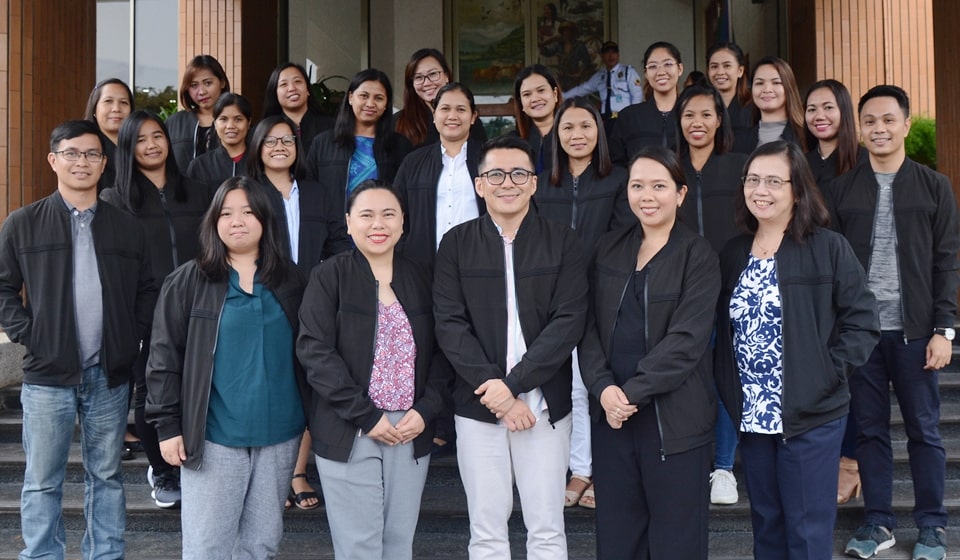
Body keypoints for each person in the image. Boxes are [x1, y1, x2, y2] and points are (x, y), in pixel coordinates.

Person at [715, 140, 880, 559]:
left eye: (774, 181)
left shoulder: (828, 247)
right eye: (753, 180)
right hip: (753, 419)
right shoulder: (734, 253)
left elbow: (863, 321)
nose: (761, 190)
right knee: (767, 526)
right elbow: (721, 332)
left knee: (807, 531)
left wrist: (826, 373)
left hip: (811, 416)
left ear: (797, 190)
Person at [0, 120, 157, 559]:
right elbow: (2, 288)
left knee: (105, 476)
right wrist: (30, 334)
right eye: (72, 153)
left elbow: (148, 289)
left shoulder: (127, 227)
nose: (82, 162)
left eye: (91, 154)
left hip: (109, 373)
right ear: (54, 160)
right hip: (48, 372)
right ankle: (42, 554)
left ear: (104, 164)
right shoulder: (23, 223)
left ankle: (105, 554)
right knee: (42, 478)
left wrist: (132, 337)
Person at [433, 135, 588, 559]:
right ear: (479, 184)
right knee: (486, 530)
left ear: (534, 183)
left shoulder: (564, 241)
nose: (508, 183)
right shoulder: (456, 244)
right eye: (495, 174)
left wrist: (516, 385)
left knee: (547, 528)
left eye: (519, 173)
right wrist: (498, 393)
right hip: (477, 406)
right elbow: (449, 325)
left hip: (544, 408)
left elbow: (568, 321)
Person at [824, 85, 959, 560]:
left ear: (904, 123)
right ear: (859, 129)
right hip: (861, 336)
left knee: (923, 430)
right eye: (869, 121)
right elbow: (831, 269)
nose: (878, 129)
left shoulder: (933, 186)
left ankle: (932, 528)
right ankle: (878, 523)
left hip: (917, 332)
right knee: (869, 431)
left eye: (887, 120)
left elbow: (947, 261)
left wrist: (945, 329)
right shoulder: (841, 190)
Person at [146, 177, 308, 560]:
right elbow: (163, 358)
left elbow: (313, 351)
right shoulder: (189, 280)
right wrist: (167, 426)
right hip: (214, 435)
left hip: (280, 434)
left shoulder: (292, 279)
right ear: (213, 222)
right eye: (227, 213)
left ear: (266, 220)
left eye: (249, 212)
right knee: (208, 547)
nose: (238, 221)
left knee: (261, 543)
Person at [579, 145, 720, 559]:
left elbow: (686, 341)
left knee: (677, 543)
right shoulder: (608, 248)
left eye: (659, 186)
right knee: (619, 539)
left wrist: (630, 393)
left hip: (675, 424)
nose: (647, 195)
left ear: (680, 193)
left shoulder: (698, 255)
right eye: (638, 185)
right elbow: (585, 327)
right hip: (613, 420)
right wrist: (603, 389)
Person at [297, 180, 446, 560]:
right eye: (366, 215)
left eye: (388, 214)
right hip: (351, 427)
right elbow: (315, 352)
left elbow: (445, 351)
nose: (377, 224)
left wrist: (426, 411)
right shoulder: (329, 276)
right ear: (348, 223)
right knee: (359, 547)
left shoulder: (422, 276)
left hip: (411, 427)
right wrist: (366, 415)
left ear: (402, 224)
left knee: (398, 543)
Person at [102, 110, 214, 509]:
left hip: (198, 305)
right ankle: (162, 469)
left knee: (196, 385)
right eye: (142, 139)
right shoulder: (114, 199)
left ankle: (190, 463)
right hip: (143, 312)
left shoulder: (199, 192)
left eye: (158, 136)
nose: (152, 145)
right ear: (128, 148)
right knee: (150, 389)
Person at [536, 97, 630, 510]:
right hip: (553, 300)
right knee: (567, 387)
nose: (577, 135)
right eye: (568, 127)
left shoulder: (618, 180)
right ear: (557, 134)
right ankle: (578, 469)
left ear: (600, 133)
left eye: (586, 127)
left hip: (605, 298)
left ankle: (598, 472)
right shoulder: (541, 183)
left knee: (600, 385)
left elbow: (623, 240)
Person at [393, 81, 484, 459]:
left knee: (475, 340)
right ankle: (439, 423)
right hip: (425, 267)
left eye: (461, 109)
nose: (452, 115)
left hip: (480, 269)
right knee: (430, 343)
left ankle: (473, 418)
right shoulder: (415, 162)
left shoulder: (488, 158)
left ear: (473, 117)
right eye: (445, 108)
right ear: (433, 116)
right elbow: (398, 213)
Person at [674, 83, 748, 506]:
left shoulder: (738, 166)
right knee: (687, 377)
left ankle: (723, 466)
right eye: (688, 115)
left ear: (720, 120)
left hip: (733, 287)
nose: (697, 123)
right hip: (682, 290)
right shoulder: (671, 167)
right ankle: (691, 460)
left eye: (706, 114)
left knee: (726, 377)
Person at [304, 68, 412, 213]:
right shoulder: (322, 143)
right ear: (350, 97)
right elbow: (309, 193)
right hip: (333, 233)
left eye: (379, 98)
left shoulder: (400, 146)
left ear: (386, 104)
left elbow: (407, 198)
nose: (370, 103)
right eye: (363, 96)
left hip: (381, 231)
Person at [394, 48, 487, 150]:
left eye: (433, 74)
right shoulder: (398, 122)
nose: (427, 83)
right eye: (418, 77)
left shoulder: (466, 118)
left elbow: (482, 158)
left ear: (446, 76)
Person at [609, 41, 684, 165]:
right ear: (646, 74)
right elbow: (617, 165)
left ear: (680, 69)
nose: (661, 72)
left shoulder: (691, 115)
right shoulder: (629, 117)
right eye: (653, 66)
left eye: (668, 64)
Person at [166, 54, 230, 174]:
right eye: (194, 85)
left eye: (208, 83)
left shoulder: (233, 121)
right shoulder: (174, 123)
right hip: (183, 192)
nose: (201, 92)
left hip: (224, 191)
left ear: (222, 82)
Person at [562, 41, 643, 134]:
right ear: (602, 56)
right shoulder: (600, 76)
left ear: (618, 55)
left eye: (614, 52)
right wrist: (563, 96)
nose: (611, 55)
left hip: (624, 118)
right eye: (607, 52)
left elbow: (637, 95)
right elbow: (582, 89)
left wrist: (632, 117)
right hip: (606, 120)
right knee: (607, 146)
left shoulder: (628, 71)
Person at [733, 56, 805, 154]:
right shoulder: (738, 140)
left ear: (788, 87)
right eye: (759, 83)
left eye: (776, 82)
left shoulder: (806, 136)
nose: (767, 89)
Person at [803, 79, 867, 187]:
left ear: (844, 111)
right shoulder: (802, 163)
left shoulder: (866, 161)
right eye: (812, 109)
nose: (819, 116)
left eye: (828, 107)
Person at [262, 62, 335, 150]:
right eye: (283, 84)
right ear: (275, 94)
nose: (292, 88)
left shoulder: (332, 127)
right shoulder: (263, 132)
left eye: (297, 81)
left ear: (308, 90)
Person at [187, 93, 253, 189]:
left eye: (238, 119)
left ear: (248, 122)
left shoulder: (260, 163)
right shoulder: (200, 166)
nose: (230, 126)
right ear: (215, 123)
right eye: (223, 119)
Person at [84, 78, 134, 191]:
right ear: (94, 108)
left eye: (124, 102)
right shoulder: (84, 152)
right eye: (108, 101)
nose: (116, 109)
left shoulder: (139, 149)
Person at [512, 64, 563, 174]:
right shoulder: (511, 143)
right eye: (527, 94)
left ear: (555, 94)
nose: (535, 99)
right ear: (521, 103)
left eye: (541, 90)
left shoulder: (574, 137)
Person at [706, 42, 754, 143]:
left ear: (740, 71)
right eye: (714, 67)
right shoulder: (701, 104)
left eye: (727, 66)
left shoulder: (754, 105)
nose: (720, 72)